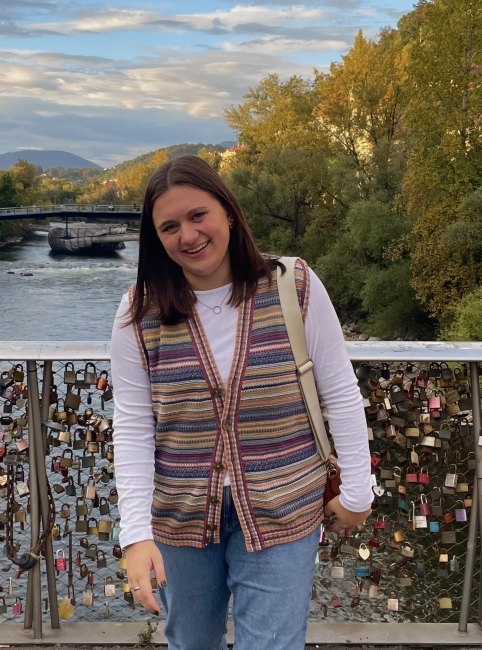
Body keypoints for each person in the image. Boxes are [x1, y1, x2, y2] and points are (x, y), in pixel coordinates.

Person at [110, 155, 372, 650]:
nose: (187, 235)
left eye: (197, 215)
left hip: (283, 505)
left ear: (227, 211)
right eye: (169, 226)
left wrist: (359, 489)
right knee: (192, 642)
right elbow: (133, 424)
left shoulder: (293, 286)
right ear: (156, 239)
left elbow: (338, 390)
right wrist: (135, 533)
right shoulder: (138, 311)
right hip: (180, 515)